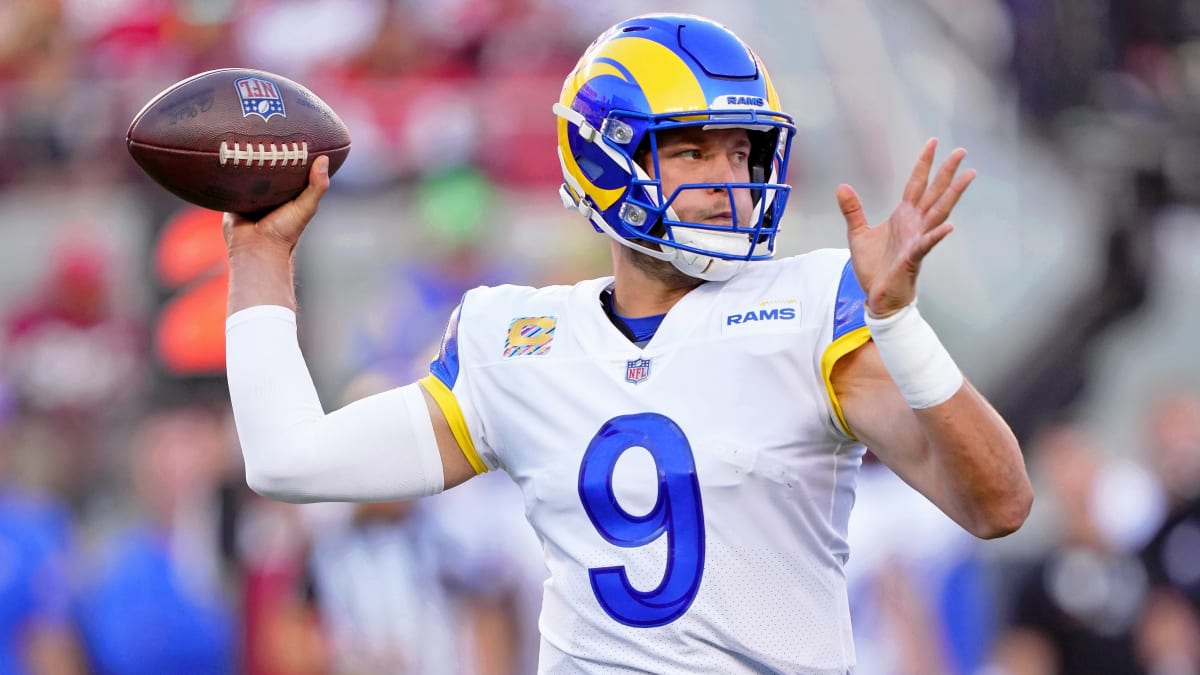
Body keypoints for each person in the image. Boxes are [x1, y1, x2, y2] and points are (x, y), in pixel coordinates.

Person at [221, 13, 1033, 674]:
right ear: (605, 155)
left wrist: (898, 322)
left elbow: (999, 504)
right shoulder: (513, 338)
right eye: (692, 149)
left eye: (742, 149)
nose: (729, 179)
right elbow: (288, 459)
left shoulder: (812, 304)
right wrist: (259, 253)